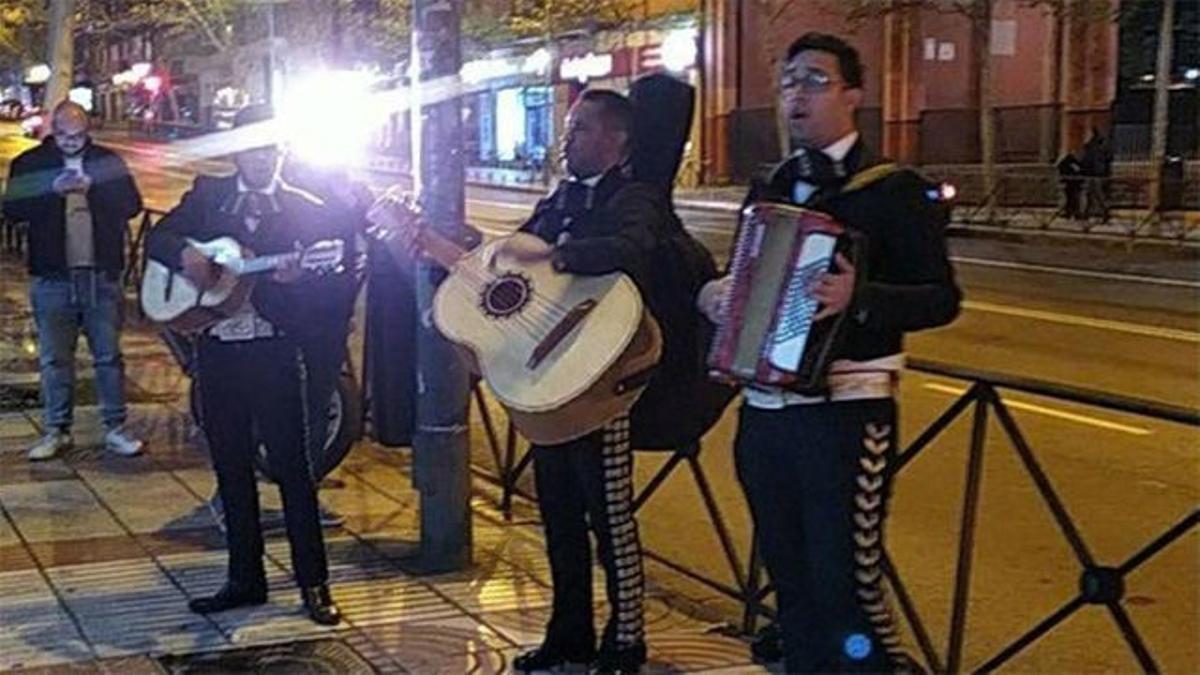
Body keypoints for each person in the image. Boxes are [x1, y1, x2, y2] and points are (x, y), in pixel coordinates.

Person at [698, 33, 961, 673]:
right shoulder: (773, 183)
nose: (797, 94)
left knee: (846, 588)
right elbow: (743, 275)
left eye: (814, 80)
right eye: (789, 81)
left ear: (853, 95)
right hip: (765, 413)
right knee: (790, 585)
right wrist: (716, 295)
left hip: (847, 414)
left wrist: (859, 296)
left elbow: (942, 299)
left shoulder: (893, 190)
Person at [144, 104, 352, 626]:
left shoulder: (308, 208)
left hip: (275, 352)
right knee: (230, 468)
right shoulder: (208, 196)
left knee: (293, 470)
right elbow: (158, 239)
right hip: (217, 351)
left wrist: (296, 283)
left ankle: (314, 583)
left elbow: (335, 286)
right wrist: (189, 256)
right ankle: (244, 579)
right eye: (252, 147)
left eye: (271, 147)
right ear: (236, 149)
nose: (261, 158)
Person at [509, 89, 667, 674]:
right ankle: (568, 631)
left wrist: (565, 254)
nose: (565, 140)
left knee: (610, 514)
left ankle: (626, 638)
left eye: (577, 129)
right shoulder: (561, 199)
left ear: (614, 140)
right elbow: (520, 250)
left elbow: (633, 250)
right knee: (557, 512)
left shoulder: (635, 199)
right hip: (552, 382)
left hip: (605, 385)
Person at [2, 101, 144, 461]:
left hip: (100, 273)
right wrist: (54, 190)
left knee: (108, 356)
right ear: (54, 130)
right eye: (64, 135)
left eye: (78, 136)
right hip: (52, 275)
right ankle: (56, 429)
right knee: (55, 358)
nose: (71, 142)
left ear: (87, 130)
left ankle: (115, 427)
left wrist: (94, 187)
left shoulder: (106, 161)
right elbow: (13, 210)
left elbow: (131, 204)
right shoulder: (32, 163)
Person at [1056, 148, 1084, 220]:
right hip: (1072, 183)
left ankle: (1071, 212)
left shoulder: (1071, 162)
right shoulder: (1070, 162)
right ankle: (1073, 213)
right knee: (1073, 199)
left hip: (1072, 183)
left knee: (1072, 199)